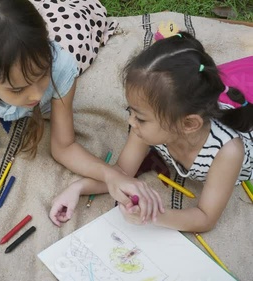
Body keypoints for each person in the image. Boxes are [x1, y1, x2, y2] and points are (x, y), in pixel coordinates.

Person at [0, 0, 161, 222]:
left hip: (69, 33)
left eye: (42, 75)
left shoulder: (60, 65)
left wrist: (113, 176)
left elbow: (64, 147)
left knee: (77, 22)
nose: (36, 95)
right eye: (18, 89)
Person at [50, 32, 253, 232]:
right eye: (131, 112)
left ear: (188, 124)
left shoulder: (227, 151)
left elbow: (205, 218)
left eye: (140, 117)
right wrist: (77, 188)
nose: (131, 121)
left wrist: (152, 215)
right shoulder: (151, 127)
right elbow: (122, 173)